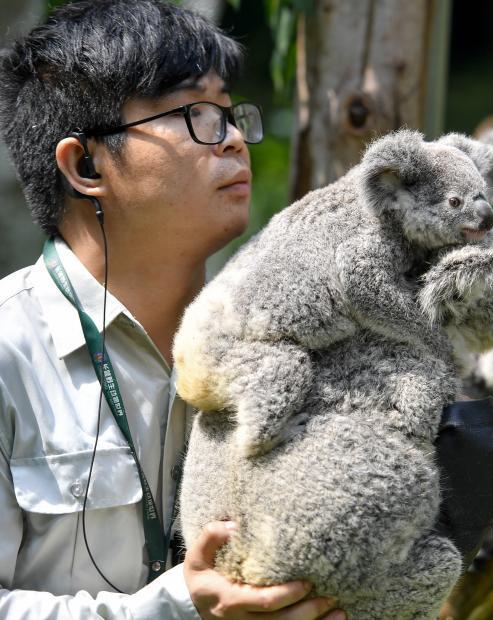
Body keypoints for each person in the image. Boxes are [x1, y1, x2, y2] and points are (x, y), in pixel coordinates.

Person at [0, 1, 346, 617]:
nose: (235, 139)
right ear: (86, 165)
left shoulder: (292, 337)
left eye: (229, 111)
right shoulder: (9, 352)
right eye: (196, 114)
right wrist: (176, 608)